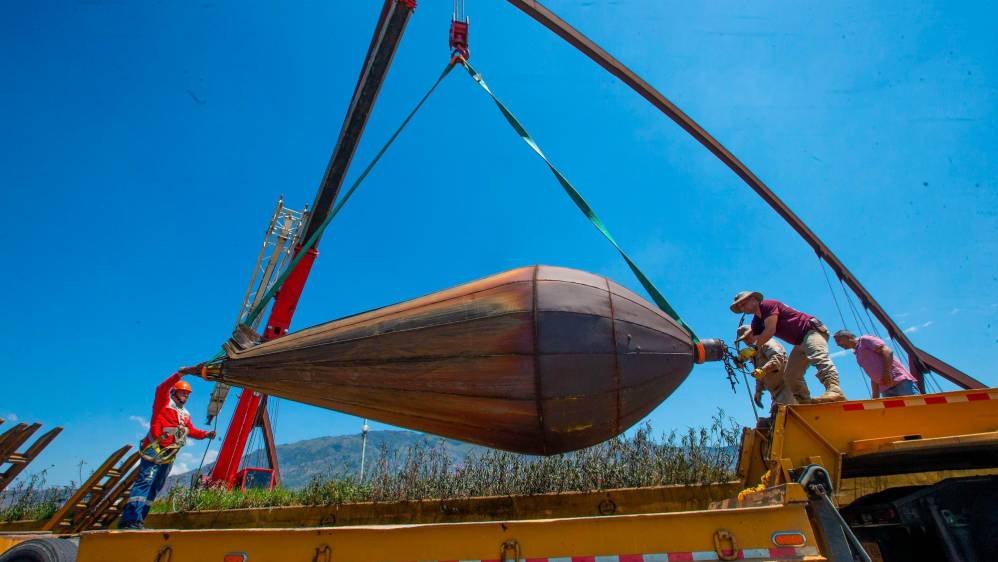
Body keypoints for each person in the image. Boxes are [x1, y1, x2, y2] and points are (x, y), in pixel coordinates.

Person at [119, 366, 215, 529]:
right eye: (183, 392)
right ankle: (129, 520)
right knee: (145, 483)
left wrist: (205, 434)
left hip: (168, 455)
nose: (186, 395)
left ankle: (139, 520)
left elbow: (190, 430)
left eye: (187, 394)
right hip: (154, 450)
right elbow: (161, 387)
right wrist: (180, 374)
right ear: (174, 392)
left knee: (155, 486)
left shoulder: (185, 414)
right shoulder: (163, 403)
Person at [730, 291, 845, 403]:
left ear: (754, 299)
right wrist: (741, 359)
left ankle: (834, 389)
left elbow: (770, 330)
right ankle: (805, 402)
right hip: (799, 342)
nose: (742, 308)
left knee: (817, 355)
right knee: (790, 376)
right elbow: (756, 343)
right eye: (740, 307)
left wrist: (753, 350)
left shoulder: (767, 305)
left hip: (811, 331)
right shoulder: (756, 322)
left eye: (743, 303)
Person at [832, 330, 919, 398]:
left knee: (917, 409)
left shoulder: (865, 340)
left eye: (838, 340)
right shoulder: (857, 353)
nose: (837, 344)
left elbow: (887, 352)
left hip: (900, 382)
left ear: (847, 337)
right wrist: (875, 397)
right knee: (897, 417)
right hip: (885, 388)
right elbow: (873, 375)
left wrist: (887, 374)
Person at [735, 325, 797, 415]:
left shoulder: (768, 343)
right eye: (744, 340)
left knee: (786, 418)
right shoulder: (754, 353)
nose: (746, 341)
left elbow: (778, 358)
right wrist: (758, 391)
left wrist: (763, 370)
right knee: (776, 420)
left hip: (786, 387)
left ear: (754, 333)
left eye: (747, 337)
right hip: (776, 393)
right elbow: (759, 374)